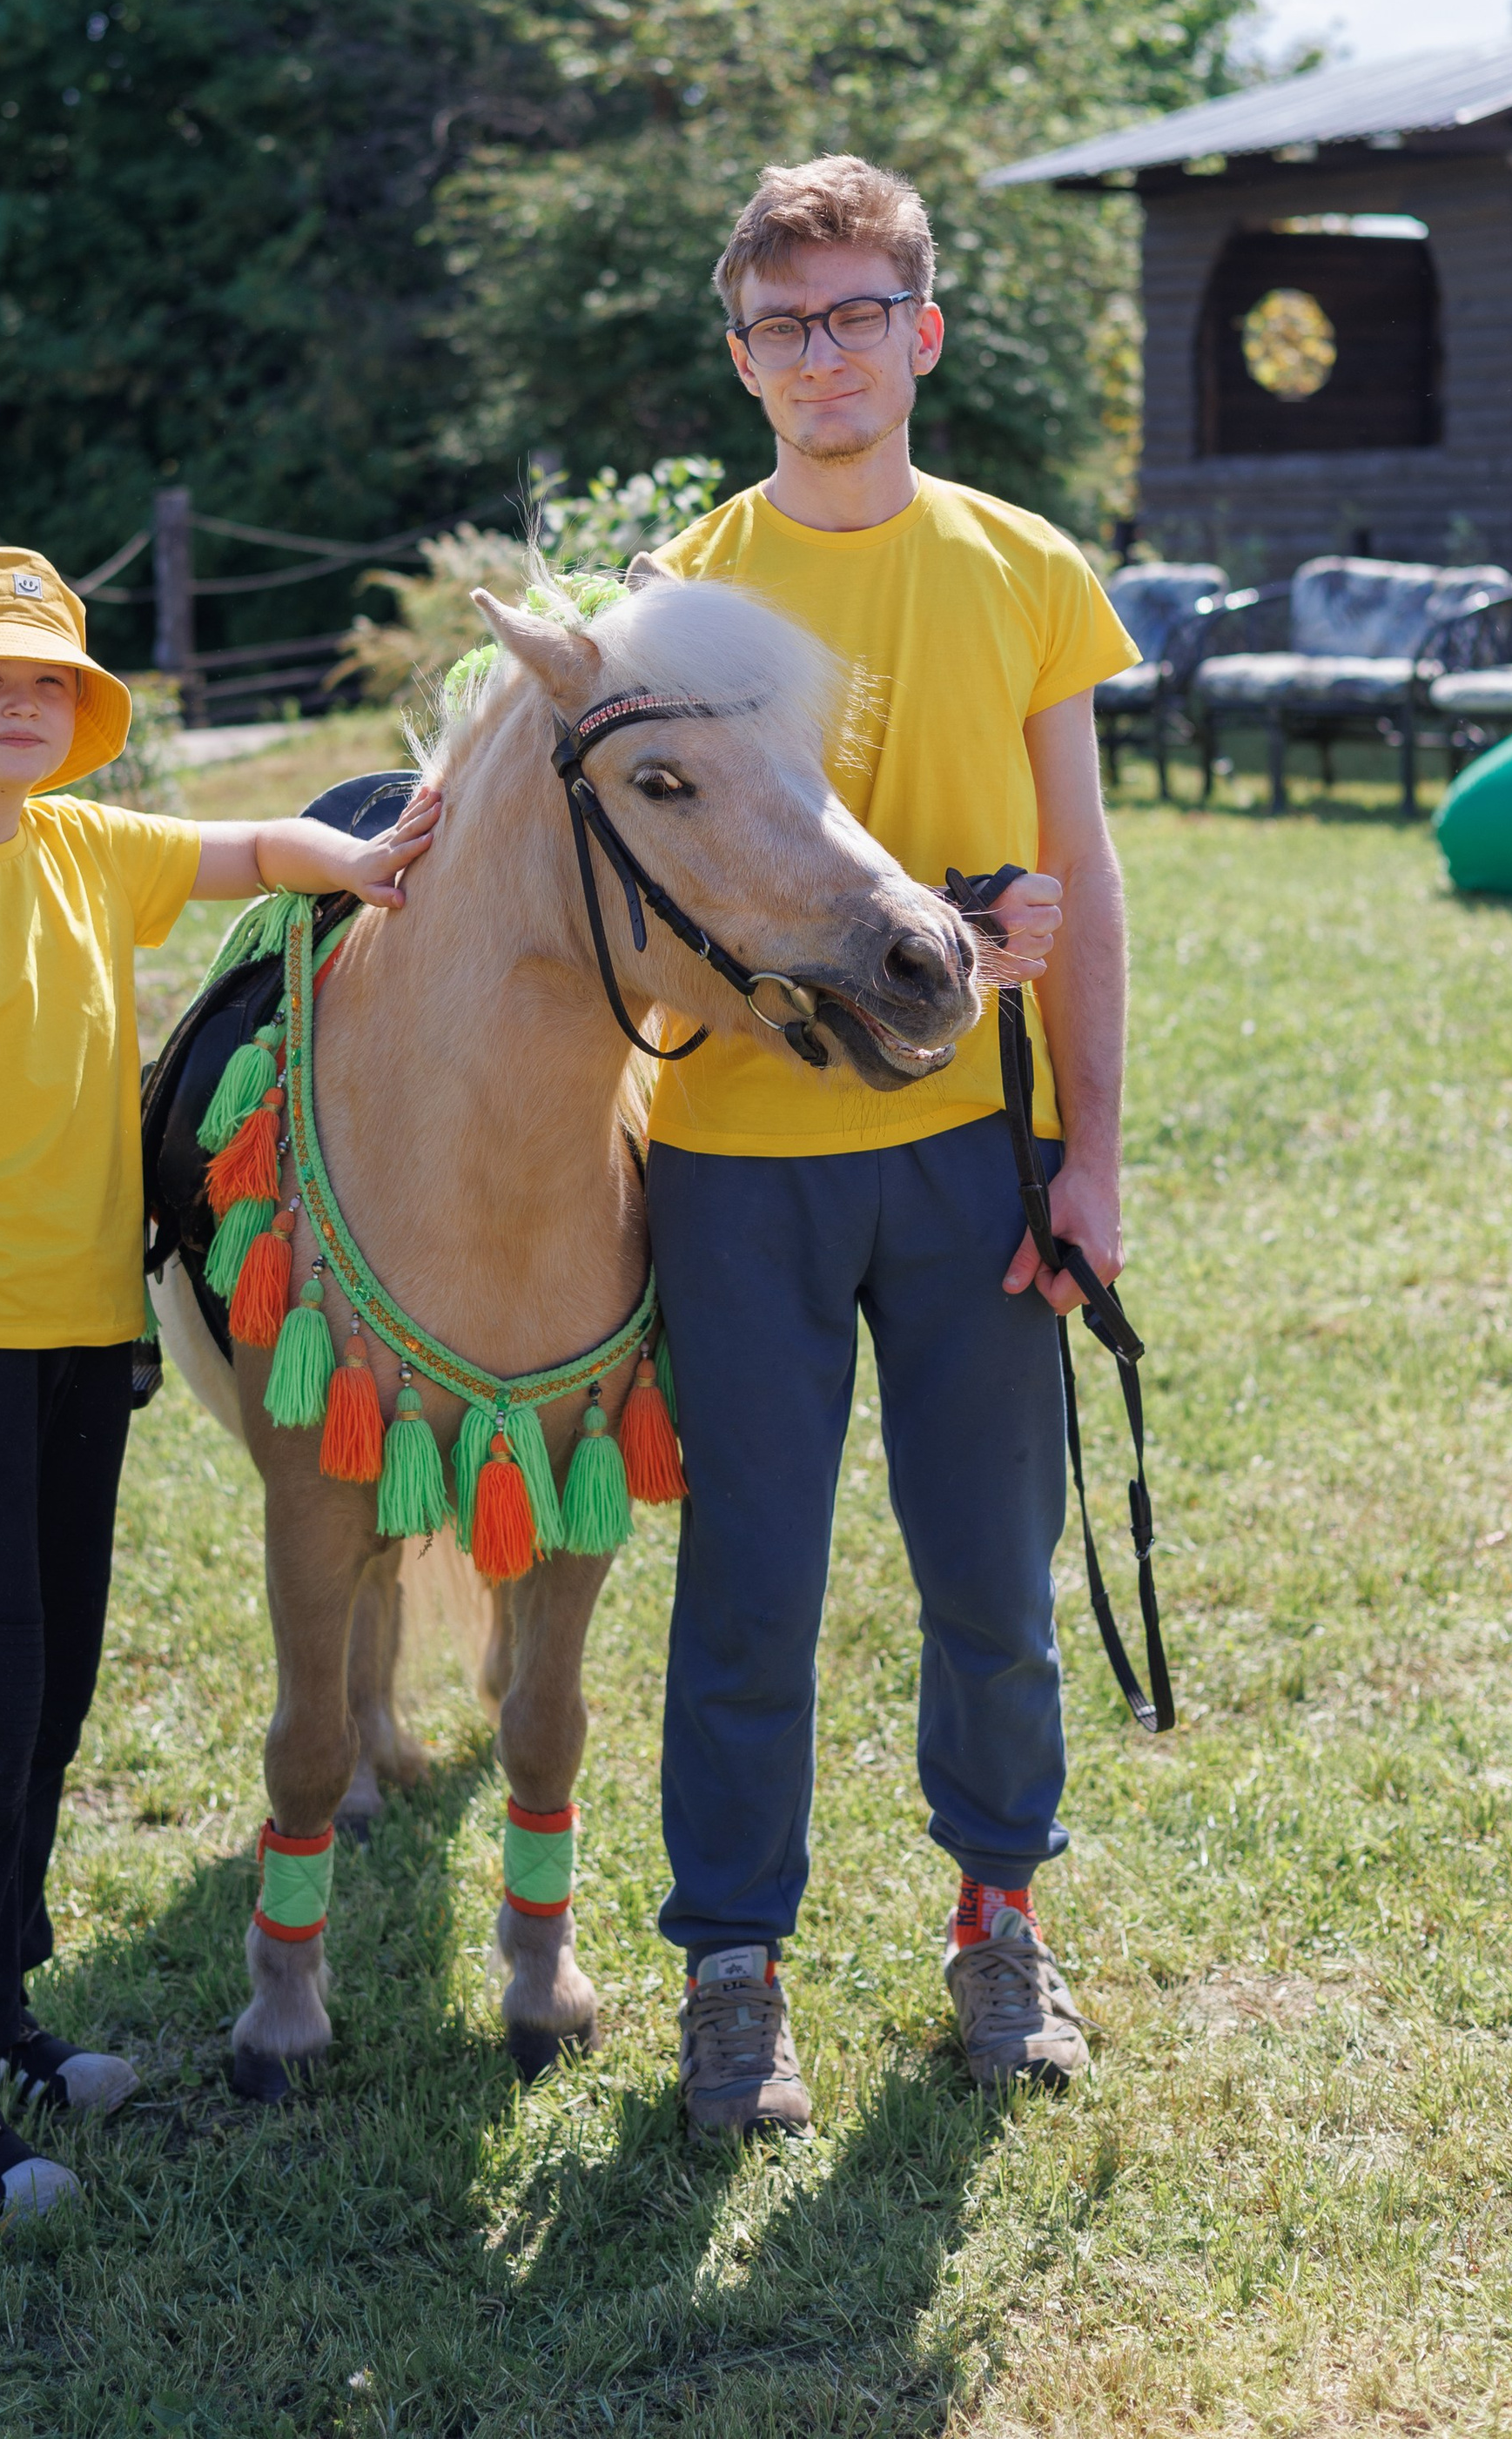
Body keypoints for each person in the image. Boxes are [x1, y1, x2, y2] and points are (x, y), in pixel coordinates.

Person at [0, 545, 436, 2223]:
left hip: (89, 1355)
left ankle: (1, 2016)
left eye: (48, 683)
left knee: (51, 1710)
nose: (20, 704)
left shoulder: (87, 849)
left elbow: (255, 847)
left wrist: (375, 860)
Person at [645, 154, 1139, 2132]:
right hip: (736, 1162)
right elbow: (654, 937)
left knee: (987, 1580)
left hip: (972, 1158)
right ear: (742, 358)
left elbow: (1084, 886)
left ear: (918, 335)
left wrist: (1087, 1160)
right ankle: (732, 1967)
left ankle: (996, 1924)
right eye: (783, 324)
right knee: (750, 1582)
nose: (822, 354)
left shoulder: (1023, 568)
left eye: (857, 313)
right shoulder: (682, 595)